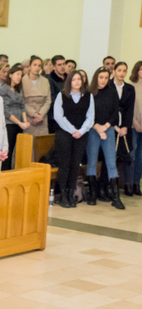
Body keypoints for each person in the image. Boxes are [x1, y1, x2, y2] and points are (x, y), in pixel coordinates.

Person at [53, 71, 94, 208]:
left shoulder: (88, 96)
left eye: (79, 79)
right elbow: (58, 116)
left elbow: (90, 116)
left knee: (75, 164)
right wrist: (72, 130)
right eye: (74, 79)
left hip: (81, 135)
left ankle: (71, 193)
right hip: (64, 134)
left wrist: (81, 131)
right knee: (65, 164)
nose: (77, 82)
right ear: (69, 82)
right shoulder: (62, 95)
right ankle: (63, 195)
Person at [85, 67, 122, 209]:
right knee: (92, 161)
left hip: (108, 129)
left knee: (111, 162)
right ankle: (92, 194)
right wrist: (97, 127)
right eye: (101, 77)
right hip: (93, 130)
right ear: (96, 78)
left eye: (106, 78)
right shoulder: (89, 93)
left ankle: (116, 197)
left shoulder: (112, 92)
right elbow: (87, 113)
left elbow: (115, 113)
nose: (103, 80)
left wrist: (105, 126)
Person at [0, 63, 30, 170]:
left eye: (21, 75)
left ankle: (15, 171)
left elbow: (22, 105)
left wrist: (24, 121)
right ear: (10, 75)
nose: (19, 77)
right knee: (8, 150)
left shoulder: (18, 90)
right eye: (17, 74)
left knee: (18, 150)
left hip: (19, 123)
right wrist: (19, 122)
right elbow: (5, 110)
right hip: (9, 123)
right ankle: (6, 171)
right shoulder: (2, 90)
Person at [112, 62, 136, 196]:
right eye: (119, 70)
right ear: (114, 71)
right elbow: (108, 109)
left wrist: (125, 126)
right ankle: (110, 186)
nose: (122, 73)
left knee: (128, 155)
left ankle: (128, 185)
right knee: (111, 156)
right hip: (111, 125)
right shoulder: (109, 86)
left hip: (125, 127)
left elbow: (130, 109)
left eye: (124, 71)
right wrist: (115, 126)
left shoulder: (129, 88)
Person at [22, 56, 51, 136]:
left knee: (41, 141)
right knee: (28, 141)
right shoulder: (22, 81)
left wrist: (40, 115)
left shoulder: (45, 81)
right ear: (30, 67)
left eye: (39, 65)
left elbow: (48, 101)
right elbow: (21, 101)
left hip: (42, 116)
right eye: (34, 65)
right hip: (28, 116)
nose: (37, 68)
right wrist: (34, 114)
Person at [130, 61, 142, 196]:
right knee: (132, 155)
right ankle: (128, 184)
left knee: (140, 157)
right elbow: (129, 109)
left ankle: (136, 183)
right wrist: (136, 123)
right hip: (133, 125)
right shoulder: (131, 87)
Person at [47, 55, 67, 133]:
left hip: (68, 116)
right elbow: (52, 99)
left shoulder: (69, 78)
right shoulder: (49, 80)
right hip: (54, 117)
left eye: (64, 64)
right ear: (54, 66)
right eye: (59, 65)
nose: (62, 67)